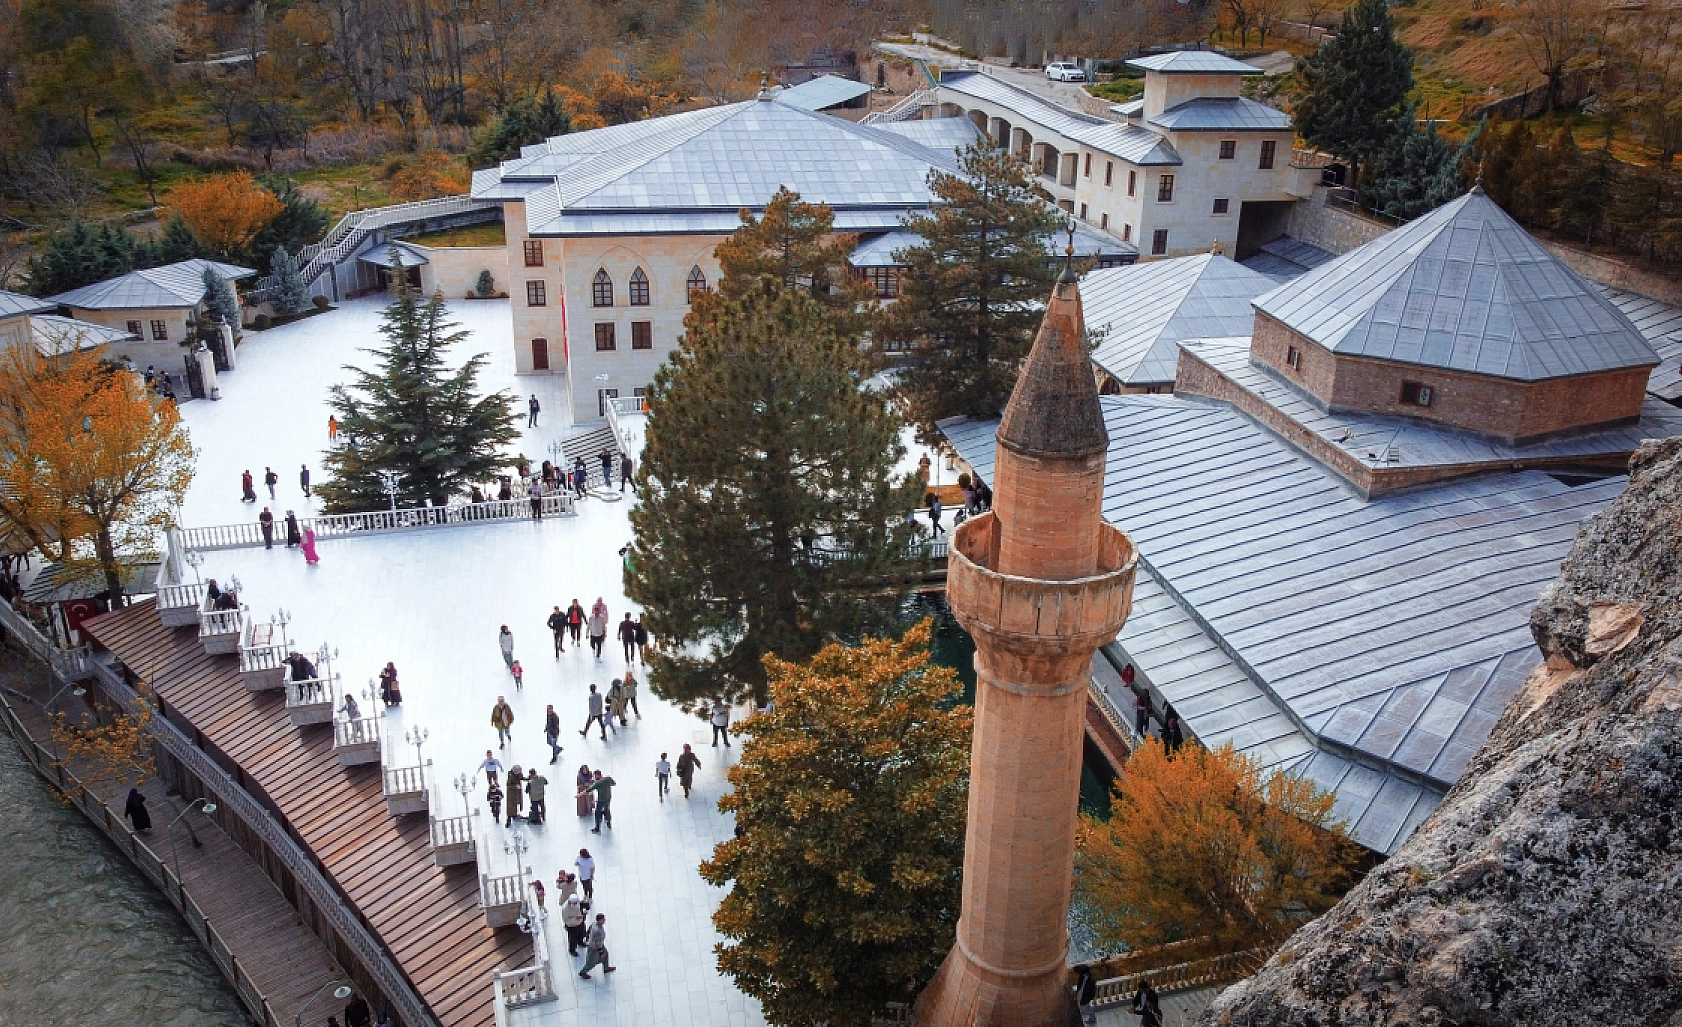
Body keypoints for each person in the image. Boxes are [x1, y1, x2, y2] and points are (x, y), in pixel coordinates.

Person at [578, 913, 614, 978]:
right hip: (595, 949)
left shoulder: (595, 923)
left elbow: (589, 929)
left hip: (600, 945)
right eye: (603, 919)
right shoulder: (597, 931)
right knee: (591, 962)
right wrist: (601, 952)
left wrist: (587, 937)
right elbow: (597, 943)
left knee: (606, 955)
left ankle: (606, 968)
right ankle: (583, 972)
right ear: (599, 920)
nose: (604, 920)